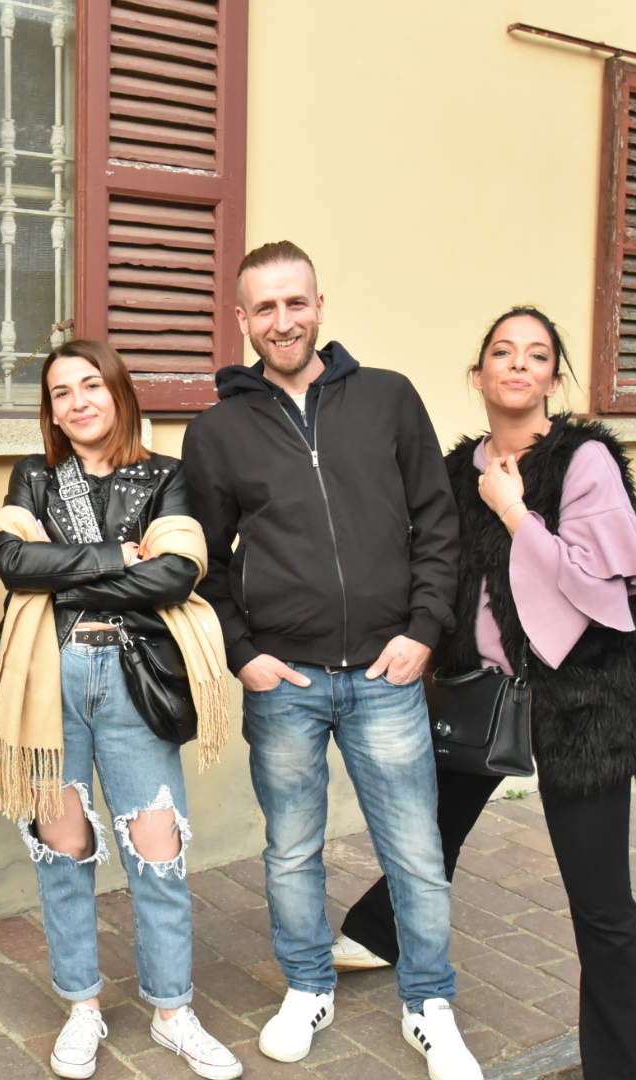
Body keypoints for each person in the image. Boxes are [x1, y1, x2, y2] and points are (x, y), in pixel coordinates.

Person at [333, 308, 636, 1080]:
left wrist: (512, 509)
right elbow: (428, 566)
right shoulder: (456, 469)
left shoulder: (583, 461)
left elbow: (598, 589)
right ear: (480, 374)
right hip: (484, 693)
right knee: (433, 825)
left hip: (586, 702)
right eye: (503, 351)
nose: (519, 364)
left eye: (536, 354)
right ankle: (379, 930)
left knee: (601, 903)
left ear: (554, 379)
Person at [181, 241, 482, 1080]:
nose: (283, 321)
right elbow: (203, 558)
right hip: (286, 682)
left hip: (388, 674)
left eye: (296, 303)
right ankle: (308, 986)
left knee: (415, 851)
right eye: (265, 308)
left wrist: (423, 631)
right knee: (291, 850)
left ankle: (429, 1005)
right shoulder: (217, 431)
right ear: (242, 320)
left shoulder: (387, 397)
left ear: (320, 306)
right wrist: (244, 654)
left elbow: (438, 523)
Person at [0, 340, 243, 1080]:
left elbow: (176, 575)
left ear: (119, 391)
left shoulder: (166, 475)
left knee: (158, 850)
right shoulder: (35, 476)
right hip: (47, 678)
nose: (78, 403)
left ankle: (172, 1012)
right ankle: (82, 1006)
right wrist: (117, 557)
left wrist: (60, 574)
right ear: (51, 410)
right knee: (63, 850)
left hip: (135, 677)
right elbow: (9, 562)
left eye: (91, 385)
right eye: (61, 393)